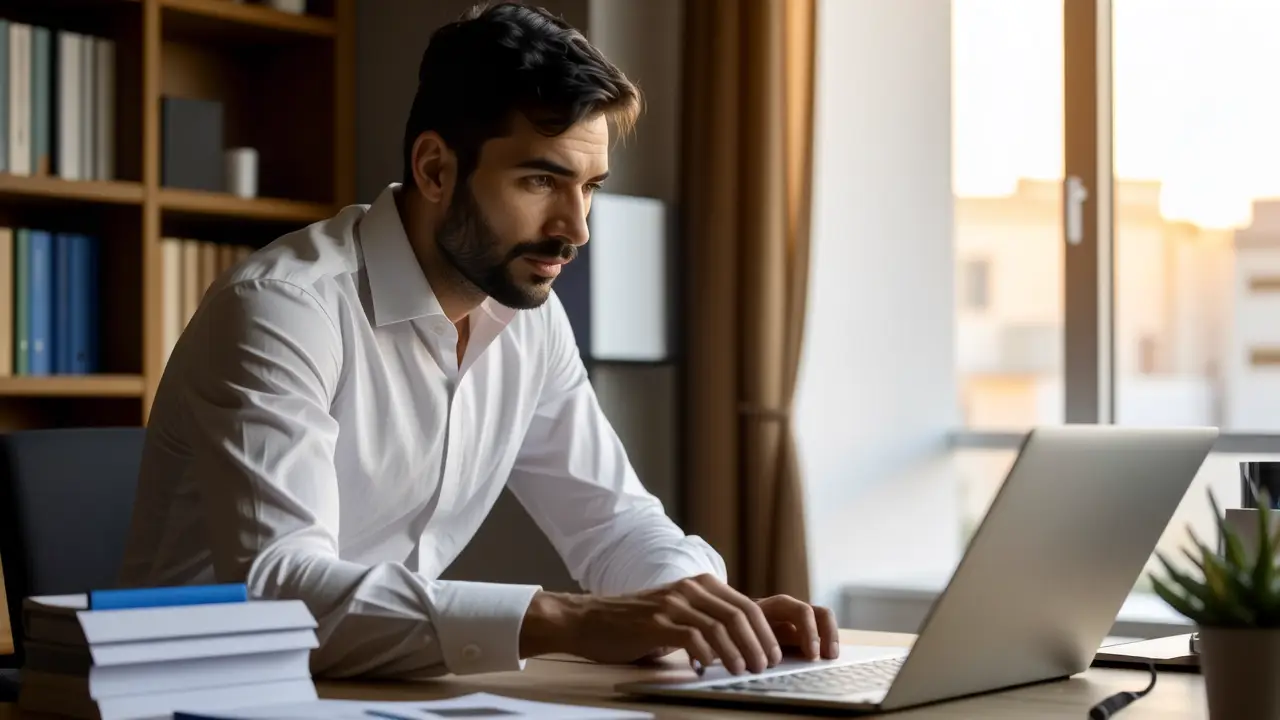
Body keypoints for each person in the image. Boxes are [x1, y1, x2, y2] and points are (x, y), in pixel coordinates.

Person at [117, 1, 839, 680]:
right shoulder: (284, 309)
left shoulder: (529, 318)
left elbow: (613, 522)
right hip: (195, 691)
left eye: (589, 187)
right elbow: (281, 592)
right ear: (436, 168)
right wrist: (563, 619)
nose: (576, 228)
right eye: (540, 180)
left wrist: (703, 606)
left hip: (377, 691)